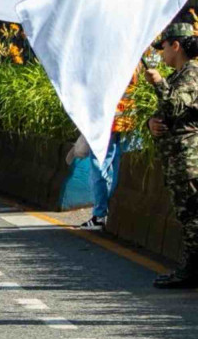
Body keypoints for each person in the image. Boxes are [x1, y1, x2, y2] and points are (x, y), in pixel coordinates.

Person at [147, 21, 198, 289]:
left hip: (189, 160)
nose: (161, 53)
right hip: (178, 160)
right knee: (188, 215)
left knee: (192, 216)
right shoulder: (181, 75)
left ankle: (190, 272)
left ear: (176, 45)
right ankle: (190, 270)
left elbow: (175, 105)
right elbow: (167, 115)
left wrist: (158, 82)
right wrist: (150, 124)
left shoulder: (191, 74)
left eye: (164, 47)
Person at [79, 76, 138, 230]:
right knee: (113, 166)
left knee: (99, 165)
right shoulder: (133, 58)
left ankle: (100, 214)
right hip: (125, 120)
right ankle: (105, 213)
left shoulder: (109, 58)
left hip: (106, 121)